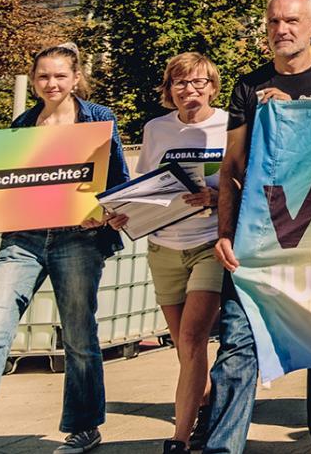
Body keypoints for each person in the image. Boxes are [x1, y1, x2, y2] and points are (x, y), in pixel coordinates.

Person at [206, 0, 311, 454]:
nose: (281, 29)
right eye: (273, 22)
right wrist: (225, 233)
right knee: (236, 342)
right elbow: (233, 165)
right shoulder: (247, 86)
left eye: (291, 21)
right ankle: (222, 447)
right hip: (259, 232)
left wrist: (301, 112)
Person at [0, 44, 130, 454]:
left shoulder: (98, 118)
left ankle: (84, 427)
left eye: (59, 76)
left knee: (78, 335)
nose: (50, 83)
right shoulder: (22, 125)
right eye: (43, 76)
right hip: (24, 239)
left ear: (75, 79)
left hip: (78, 239)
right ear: (34, 80)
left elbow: (119, 179)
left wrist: (105, 211)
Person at [139, 53, 229, 454]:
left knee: (193, 338)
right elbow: (145, 187)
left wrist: (216, 197)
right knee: (183, 346)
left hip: (209, 244)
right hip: (164, 246)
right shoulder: (156, 129)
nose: (189, 90)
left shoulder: (229, 125)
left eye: (198, 82)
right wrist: (123, 213)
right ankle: (207, 404)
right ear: (169, 89)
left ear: (212, 87)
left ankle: (180, 438)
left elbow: (250, 183)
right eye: (180, 83)